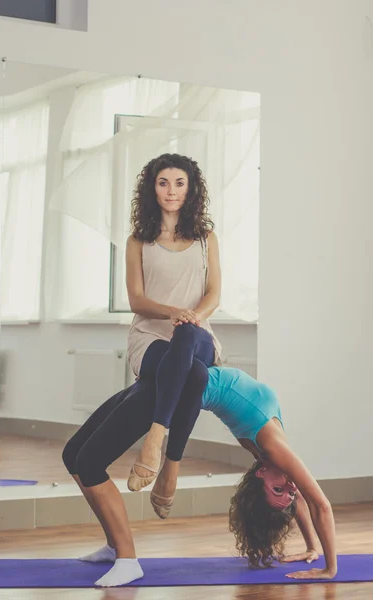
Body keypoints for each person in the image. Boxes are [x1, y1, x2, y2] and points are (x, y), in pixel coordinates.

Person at [62, 366, 337, 587]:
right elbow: (319, 503)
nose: (289, 486)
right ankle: (115, 547)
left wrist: (313, 548)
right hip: (172, 383)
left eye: (280, 491)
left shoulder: (269, 458)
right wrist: (329, 567)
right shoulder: (275, 450)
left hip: (171, 392)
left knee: (84, 462)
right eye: (285, 490)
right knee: (75, 456)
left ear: (261, 475)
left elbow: (300, 497)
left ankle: (123, 555)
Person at [125, 153, 222, 493]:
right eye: (163, 182)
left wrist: (193, 317)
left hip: (197, 334)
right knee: (194, 374)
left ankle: (155, 437)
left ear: (191, 188)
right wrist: (172, 312)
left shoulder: (205, 238)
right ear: (152, 189)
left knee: (187, 334)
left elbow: (213, 294)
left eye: (179, 183)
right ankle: (171, 465)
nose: (171, 191)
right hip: (150, 337)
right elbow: (136, 300)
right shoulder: (138, 240)